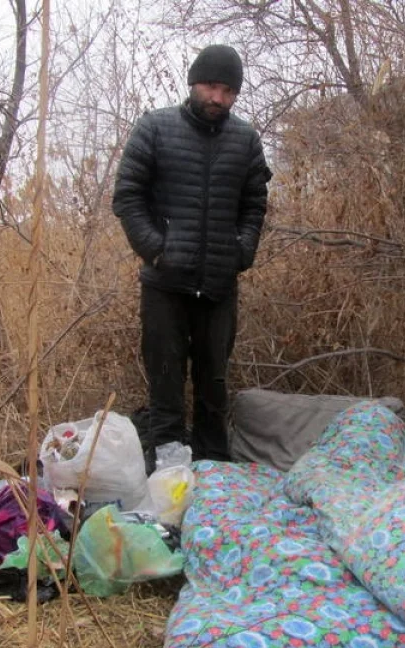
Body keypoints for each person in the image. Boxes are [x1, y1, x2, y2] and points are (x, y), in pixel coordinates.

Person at [112, 44, 272, 462]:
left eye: (227, 91)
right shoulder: (154, 128)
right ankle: (167, 482)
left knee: (213, 389)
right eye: (210, 86)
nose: (217, 98)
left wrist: (243, 251)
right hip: (165, 285)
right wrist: (157, 251)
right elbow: (128, 197)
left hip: (219, 287)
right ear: (193, 83)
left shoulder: (246, 140)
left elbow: (255, 204)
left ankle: (213, 479)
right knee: (165, 387)